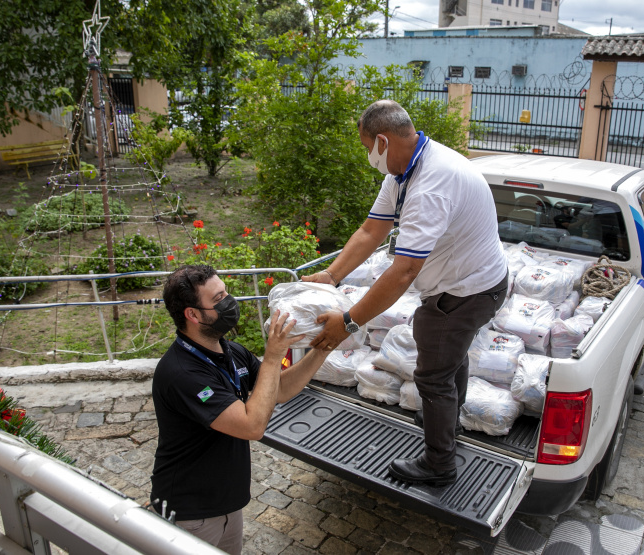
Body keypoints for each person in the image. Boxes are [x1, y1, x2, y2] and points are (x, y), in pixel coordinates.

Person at [302, 99, 509, 486]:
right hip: (471, 282)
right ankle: (446, 420)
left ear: (382, 141)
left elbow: (403, 272)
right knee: (450, 356)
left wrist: (347, 323)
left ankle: (439, 463)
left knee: (432, 373)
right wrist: (332, 275)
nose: (369, 156)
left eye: (367, 148)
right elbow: (371, 231)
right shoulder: (403, 171)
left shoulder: (431, 186)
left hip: (468, 291)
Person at [150, 265, 328, 554]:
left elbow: (278, 390)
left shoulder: (231, 351)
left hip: (227, 505)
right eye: (218, 298)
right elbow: (252, 426)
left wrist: (324, 347)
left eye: (226, 292)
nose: (229, 302)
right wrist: (272, 357)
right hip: (190, 512)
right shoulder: (182, 373)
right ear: (193, 315)